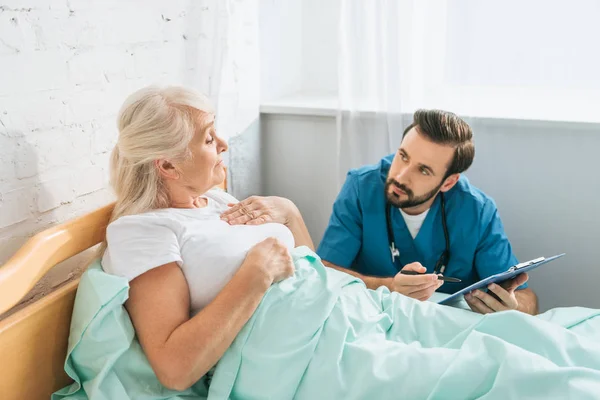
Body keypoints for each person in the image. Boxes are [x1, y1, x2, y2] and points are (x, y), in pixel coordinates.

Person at [100, 85, 313, 391]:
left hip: (336, 310)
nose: (224, 144)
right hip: (298, 353)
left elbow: (311, 265)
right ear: (169, 166)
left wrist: (291, 214)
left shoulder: (215, 199)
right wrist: (256, 274)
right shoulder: (142, 231)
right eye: (210, 138)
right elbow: (175, 369)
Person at [309, 110, 538, 315]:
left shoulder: (477, 211)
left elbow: (528, 299)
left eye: (424, 170)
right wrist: (390, 287)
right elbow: (323, 273)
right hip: (373, 319)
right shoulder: (361, 189)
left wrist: (514, 307)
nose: (401, 176)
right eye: (403, 156)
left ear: (448, 183)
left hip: (447, 327)